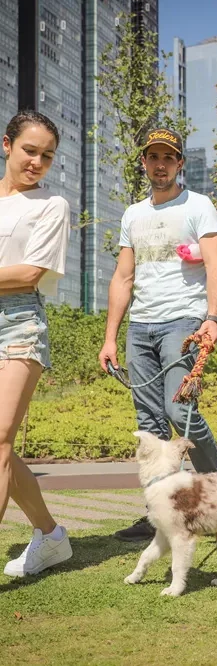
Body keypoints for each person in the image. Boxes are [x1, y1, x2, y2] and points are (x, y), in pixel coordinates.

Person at [98, 127, 217, 542]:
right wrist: (111, 337)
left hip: (183, 322)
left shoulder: (199, 205)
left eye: (168, 158)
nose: (160, 164)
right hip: (141, 327)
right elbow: (123, 277)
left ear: (179, 164)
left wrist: (212, 317)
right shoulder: (133, 214)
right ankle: (158, 512)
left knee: (179, 413)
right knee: (149, 424)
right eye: (153, 157)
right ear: (144, 162)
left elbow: (215, 265)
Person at [0, 110, 72, 576]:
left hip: (18, 323)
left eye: (47, 155)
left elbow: (29, 274)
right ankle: (51, 536)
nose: (37, 162)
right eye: (29, 150)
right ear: (6, 145)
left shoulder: (51, 205)